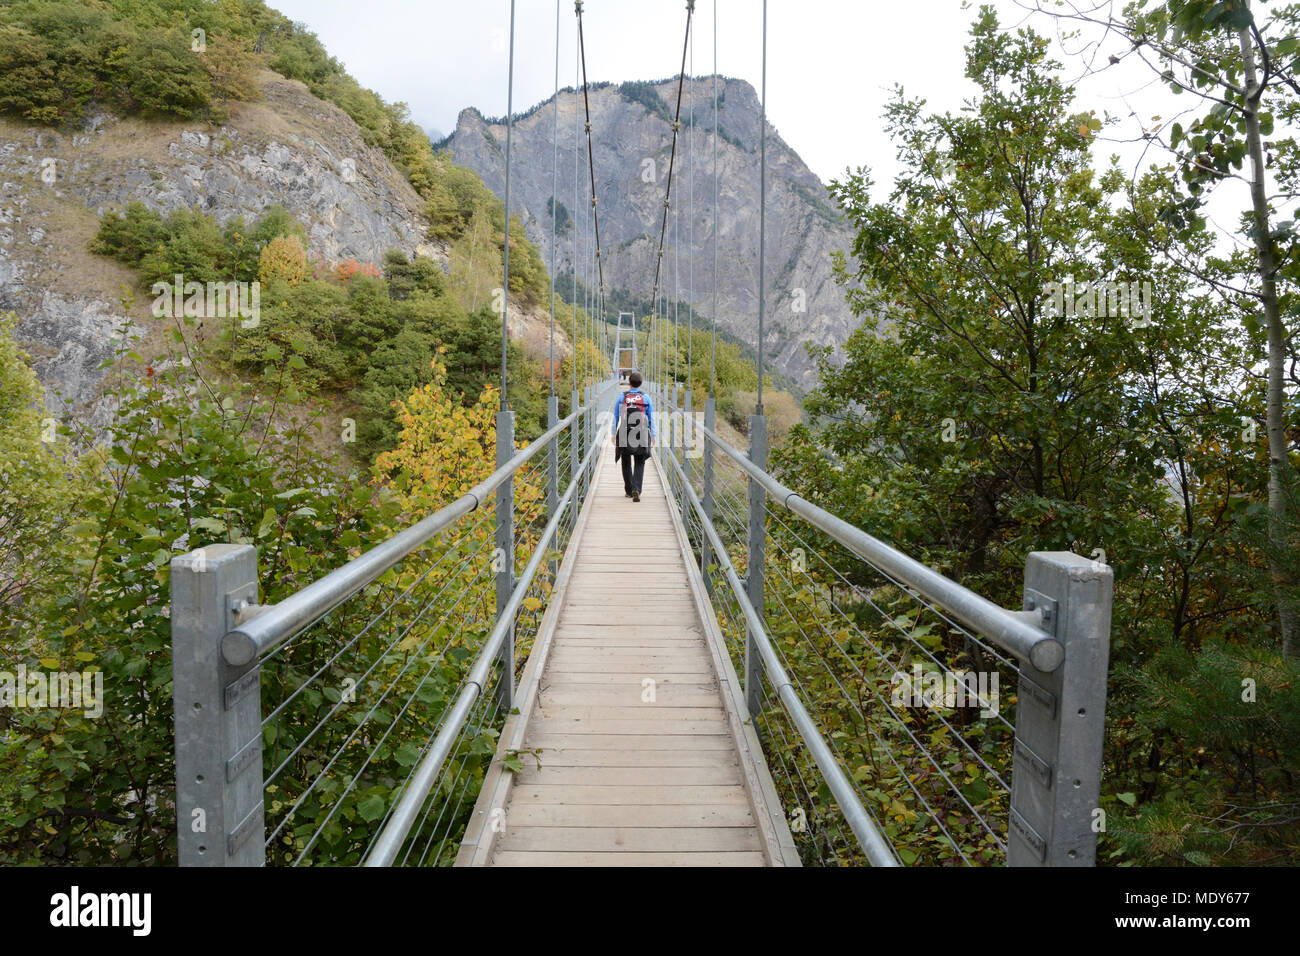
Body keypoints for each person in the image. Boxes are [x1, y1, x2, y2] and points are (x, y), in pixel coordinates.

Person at [612, 371, 654, 502]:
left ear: (629, 383)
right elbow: (651, 418)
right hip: (640, 431)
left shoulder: (621, 396)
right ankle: (637, 489)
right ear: (641, 383)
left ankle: (629, 491)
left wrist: (613, 433)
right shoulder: (646, 398)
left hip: (625, 431)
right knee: (640, 459)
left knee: (625, 459)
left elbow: (615, 416)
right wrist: (653, 435)